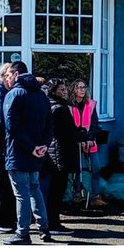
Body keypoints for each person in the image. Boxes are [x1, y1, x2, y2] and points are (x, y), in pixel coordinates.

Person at [2, 64, 54, 245]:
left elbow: (11, 126)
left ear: (16, 74)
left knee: (22, 193)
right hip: (37, 152)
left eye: (8, 74)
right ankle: (44, 229)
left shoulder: (14, 94)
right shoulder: (41, 95)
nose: (6, 78)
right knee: (34, 188)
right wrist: (43, 146)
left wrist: (31, 147)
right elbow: (49, 124)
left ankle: (23, 233)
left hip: (19, 153)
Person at [0, 61, 24, 235]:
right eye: (10, 75)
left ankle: (0, 220)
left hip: (0, 147)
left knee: (2, 185)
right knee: (1, 186)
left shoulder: (0, 93)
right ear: (4, 76)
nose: (12, 79)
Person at [41, 79, 79, 233]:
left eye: (65, 88)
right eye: (61, 89)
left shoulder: (48, 105)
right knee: (57, 190)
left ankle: (52, 221)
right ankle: (53, 224)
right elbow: (67, 132)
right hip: (60, 152)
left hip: (54, 151)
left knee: (53, 190)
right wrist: (81, 134)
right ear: (53, 90)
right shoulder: (59, 108)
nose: (64, 91)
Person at [68, 78, 106, 205]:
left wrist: (89, 138)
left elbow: (94, 123)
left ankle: (95, 195)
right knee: (77, 169)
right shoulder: (69, 106)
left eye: (84, 87)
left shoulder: (90, 104)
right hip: (75, 142)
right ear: (74, 89)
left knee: (96, 168)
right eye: (79, 87)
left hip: (90, 141)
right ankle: (77, 193)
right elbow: (70, 124)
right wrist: (79, 139)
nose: (82, 90)